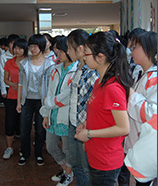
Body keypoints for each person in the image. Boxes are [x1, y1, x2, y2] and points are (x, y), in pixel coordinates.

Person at [75, 31, 133, 186]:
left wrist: (89, 133)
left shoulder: (112, 87)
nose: (83, 57)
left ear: (100, 57)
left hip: (106, 158)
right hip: (96, 152)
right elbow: (102, 114)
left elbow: (123, 128)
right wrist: (87, 124)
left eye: (86, 54)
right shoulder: (99, 82)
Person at [40, 36, 75, 186]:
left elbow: (68, 96)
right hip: (53, 114)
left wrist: (49, 103)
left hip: (66, 116)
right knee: (50, 146)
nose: (57, 54)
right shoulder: (56, 69)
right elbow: (50, 91)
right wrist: (46, 114)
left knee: (67, 148)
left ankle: (68, 174)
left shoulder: (76, 70)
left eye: (59, 51)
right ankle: (66, 168)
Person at [124, 31, 157, 185]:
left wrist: (131, 94)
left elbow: (151, 114)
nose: (131, 50)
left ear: (148, 49)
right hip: (136, 141)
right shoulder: (140, 72)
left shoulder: (154, 78)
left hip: (146, 146)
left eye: (135, 47)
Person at [66, 29, 99, 186]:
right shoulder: (76, 67)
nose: (67, 52)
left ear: (80, 48)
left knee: (86, 167)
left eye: (69, 48)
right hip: (73, 123)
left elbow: (95, 104)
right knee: (76, 163)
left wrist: (88, 129)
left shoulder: (93, 72)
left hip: (85, 126)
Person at [16, 34, 54, 166]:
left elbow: (50, 87)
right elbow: (20, 84)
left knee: (39, 129)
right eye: (30, 46)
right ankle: (24, 154)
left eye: (35, 46)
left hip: (41, 101)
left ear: (42, 47)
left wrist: (48, 105)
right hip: (27, 100)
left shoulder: (49, 64)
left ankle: (38, 153)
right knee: (24, 128)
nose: (32, 49)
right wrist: (19, 102)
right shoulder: (24, 63)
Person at [2, 38, 28, 159]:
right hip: (12, 96)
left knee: (23, 124)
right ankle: (9, 147)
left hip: (25, 97)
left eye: (20, 48)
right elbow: (5, 79)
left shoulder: (29, 62)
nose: (17, 50)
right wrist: (11, 84)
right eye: (15, 48)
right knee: (9, 122)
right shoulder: (9, 62)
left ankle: (24, 148)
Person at [0, 34, 20, 99]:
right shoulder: (4, 57)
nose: (13, 45)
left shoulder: (22, 57)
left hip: (20, 86)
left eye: (15, 43)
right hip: (8, 86)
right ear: (8, 44)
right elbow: (2, 73)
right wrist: (3, 90)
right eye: (12, 43)